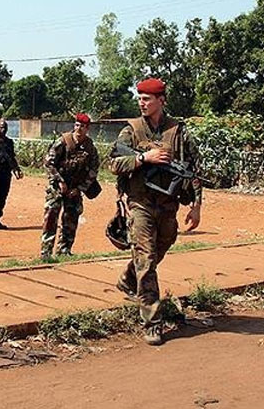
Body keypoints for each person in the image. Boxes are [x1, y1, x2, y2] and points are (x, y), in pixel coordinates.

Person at [110, 77, 203, 346]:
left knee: (162, 245)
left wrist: (196, 206)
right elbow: (113, 163)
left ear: (161, 101)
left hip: (167, 204)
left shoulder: (179, 132)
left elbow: (194, 170)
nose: (142, 102)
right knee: (147, 258)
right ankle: (152, 322)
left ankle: (129, 278)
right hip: (140, 203)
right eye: (139, 98)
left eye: (147, 99)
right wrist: (143, 158)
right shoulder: (131, 130)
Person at [40, 113, 100, 260]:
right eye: (77, 125)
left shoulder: (90, 147)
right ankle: (46, 252)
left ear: (87, 129)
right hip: (58, 187)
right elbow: (48, 163)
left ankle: (64, 250)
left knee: (71, 218)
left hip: (75, 189)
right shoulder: (63, 141)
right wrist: (60, 181)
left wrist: (79, 189)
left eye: (83, 127)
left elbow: (93, 170)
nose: (79, 129)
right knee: (51, 217)